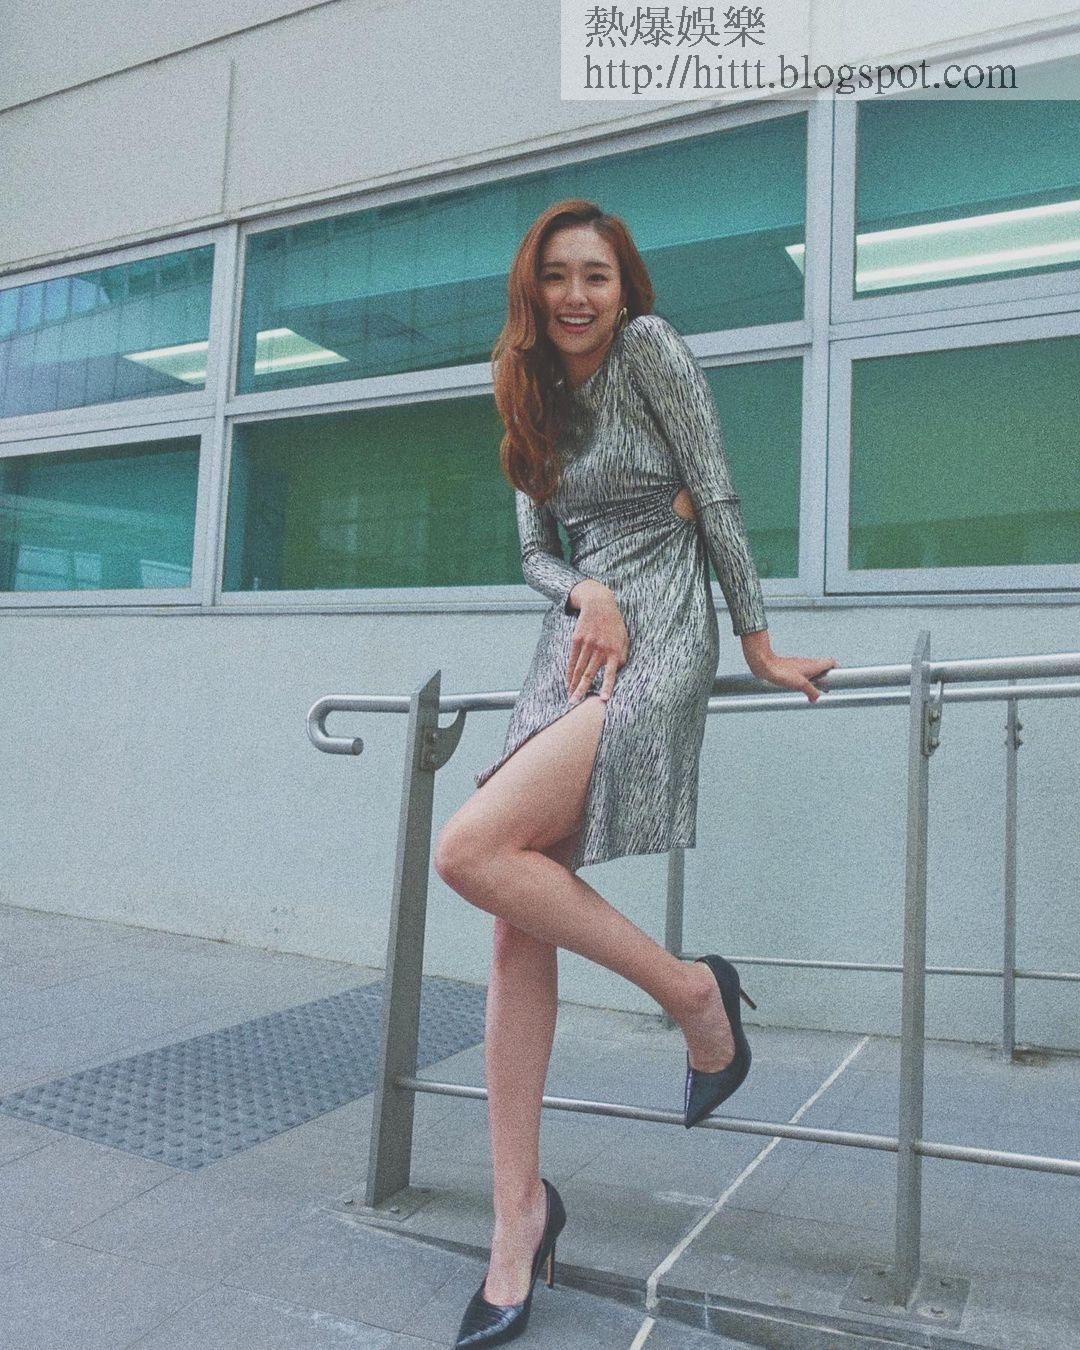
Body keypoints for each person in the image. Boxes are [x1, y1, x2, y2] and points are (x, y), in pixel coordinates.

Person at [434, 199, 839, 1347]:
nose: (578, 296)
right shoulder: (522, 386)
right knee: (512, 926)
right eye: (558, 276)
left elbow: (713, 487)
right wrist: (583, 589)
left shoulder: (652, 350)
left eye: (597, 277)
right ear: (533, 288)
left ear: (624, 289)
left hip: (665, 618)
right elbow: (532, 550)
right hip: (579, 634)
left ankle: (692, 993)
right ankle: (518, 1217)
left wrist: (757, 642)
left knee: (469, 849)